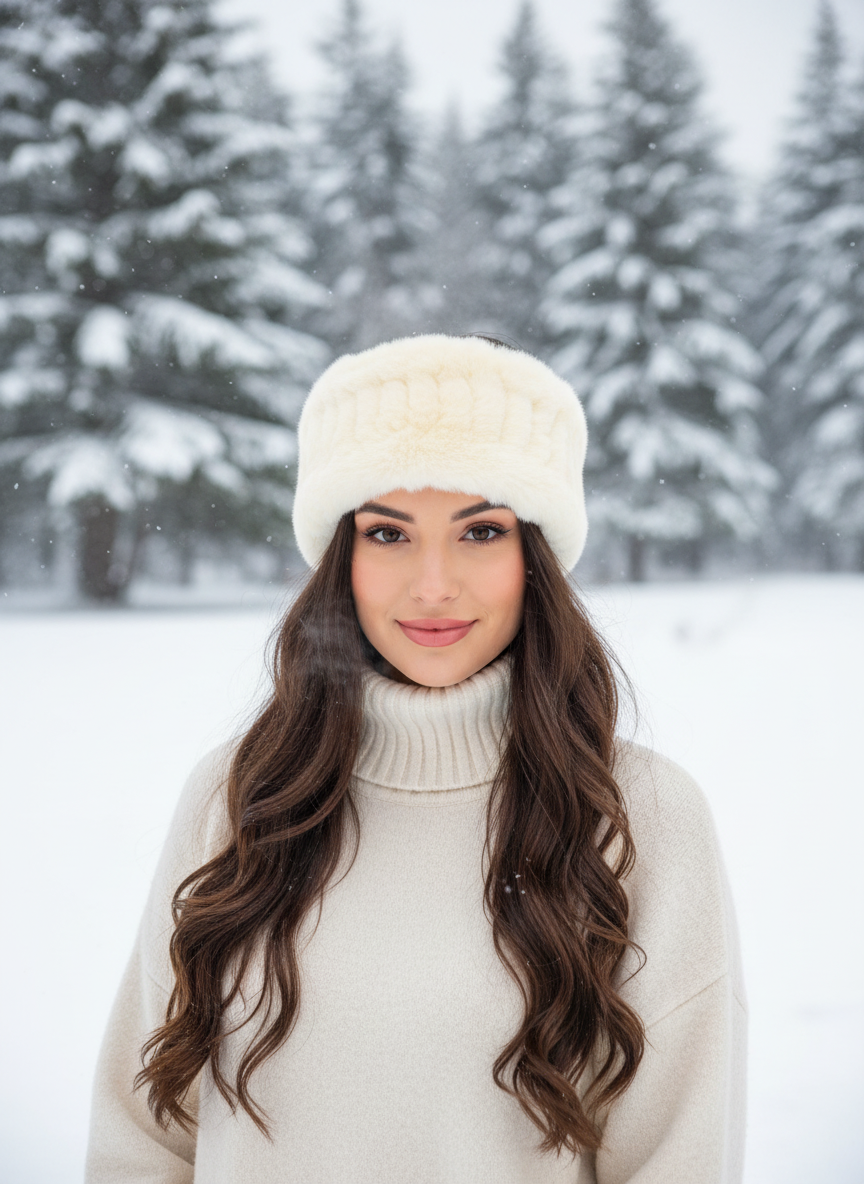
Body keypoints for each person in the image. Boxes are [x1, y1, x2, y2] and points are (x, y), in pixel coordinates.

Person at [84, 333, 747, 1183]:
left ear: (534, 556)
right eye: (389, 534)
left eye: (480, 530)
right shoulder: (236, 796)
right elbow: (143, 1138)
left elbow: (676, 1161)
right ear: (341, 559)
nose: (433, 584)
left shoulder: (640, 815)